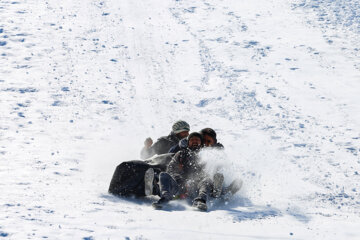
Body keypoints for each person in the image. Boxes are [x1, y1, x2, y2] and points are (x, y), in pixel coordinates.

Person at [150, 132, 220, 211]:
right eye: (192, 140)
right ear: (188, 142)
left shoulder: (205, 156)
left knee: (207, 180)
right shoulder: (181, 154)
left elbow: (208, 171)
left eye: (197, 140)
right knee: (163, 175)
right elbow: (170, 168)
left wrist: (196, 179)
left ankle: (200, 201)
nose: (194, 141)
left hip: (196, 187)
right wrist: (177, 176)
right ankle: (165, 198)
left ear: (201, 143)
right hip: (180, 185)